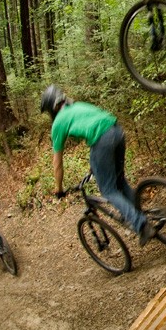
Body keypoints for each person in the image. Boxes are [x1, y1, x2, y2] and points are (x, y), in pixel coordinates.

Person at [41, 85, 154, 246]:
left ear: (51, 108)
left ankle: (141, 224)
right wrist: (94, 165)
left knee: (108, 190)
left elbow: (57, 162)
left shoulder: (58, 123)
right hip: (117, 131)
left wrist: (58, 189)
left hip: (103, 140)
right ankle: (141, 215)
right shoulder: (77, 106)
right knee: (119, 181)